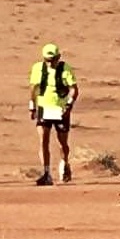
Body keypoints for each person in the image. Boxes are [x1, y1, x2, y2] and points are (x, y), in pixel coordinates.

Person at [28, 43, 78, 184]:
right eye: (47, 60)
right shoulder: (37, 69)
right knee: (43, 141)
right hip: (44, 108)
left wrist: (68, 106)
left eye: (53, 60)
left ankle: (64, 162)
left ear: (58, 57)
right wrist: (32, 106)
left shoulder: (65, 69)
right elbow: (33, 88)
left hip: (60, 110)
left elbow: (74, 89)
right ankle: (46, 173)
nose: (50, 63)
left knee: (62, 143)